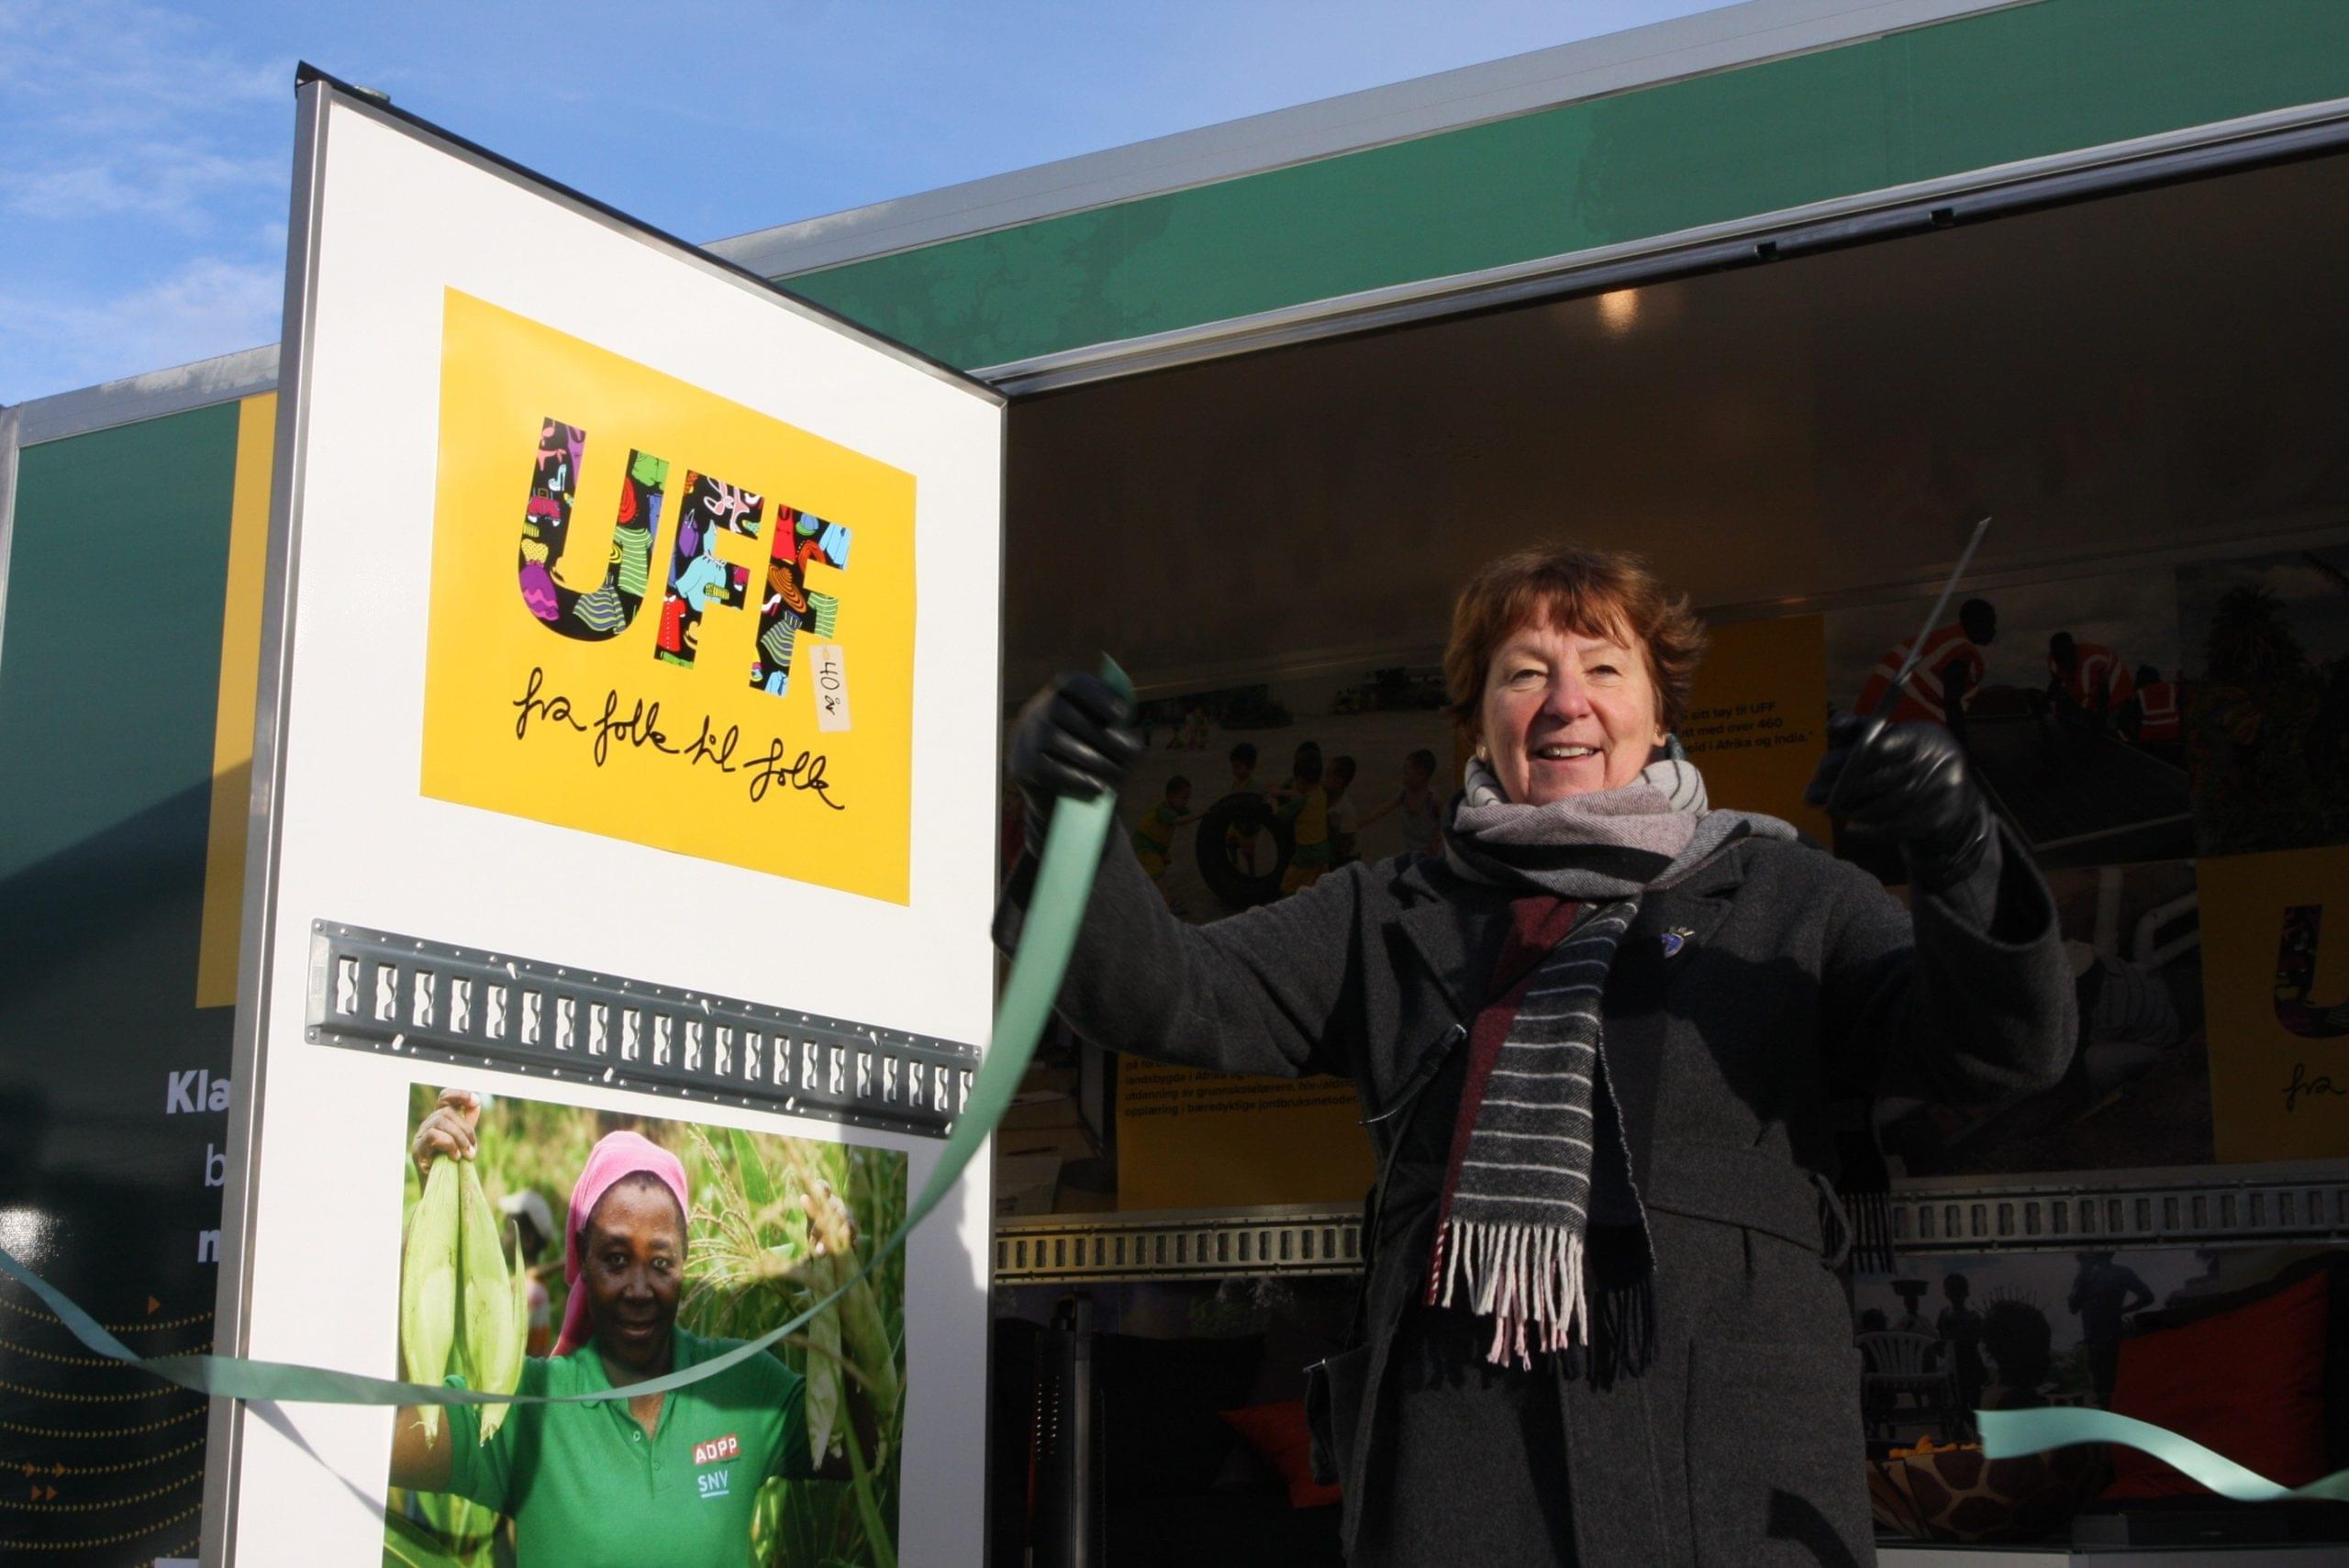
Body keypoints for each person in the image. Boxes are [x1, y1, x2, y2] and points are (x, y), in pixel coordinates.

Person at [1002, 544, 2073, 1564]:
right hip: (1459, 1478)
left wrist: (1958, 849)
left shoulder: (1796, 899)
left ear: (1659, 714)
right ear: (1479, 722)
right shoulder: (1383, 914)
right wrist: (1067, 812)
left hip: (1735, 1479)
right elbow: (1161, 992)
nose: (1566, 700)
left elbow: (1999, 1051)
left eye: (1604, 665)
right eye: (1525, 673)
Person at [389, 1094, 875, 1566]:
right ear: (583, 1259)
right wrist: (438, 1207)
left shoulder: (740, 1384)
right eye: (616, 1260)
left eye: (660, 1262)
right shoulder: (527, 1405)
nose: (639, 1288)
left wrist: (846, 1276)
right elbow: (390, 1441)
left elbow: (857, 1448)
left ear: (685, 1264)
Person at [1856, 596, 1997, 742]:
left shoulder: (1937, 640)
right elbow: (1952, 704)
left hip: (1870, 723)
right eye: (1990, 624)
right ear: (1976, 623)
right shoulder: (1962, 651)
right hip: (1898, 730)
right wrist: (1962, 749)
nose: (1994, 631)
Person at [1357, 748, 1444, 858]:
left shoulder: (1433, 800)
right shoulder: (1404, 794)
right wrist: (1359, 823)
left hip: (1431, 855)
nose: (1403, 777)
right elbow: (1383, 809)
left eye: (1406, 773)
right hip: (1411, 852)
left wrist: (1437, 841)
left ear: (1421, 774)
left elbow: (1446, 823)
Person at [1325, 755, 1362, 868]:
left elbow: (1347, 845)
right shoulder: (1321, 796)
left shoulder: (1346, 810)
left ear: (1339, 781)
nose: (1323, 779)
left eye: (1327, 775)